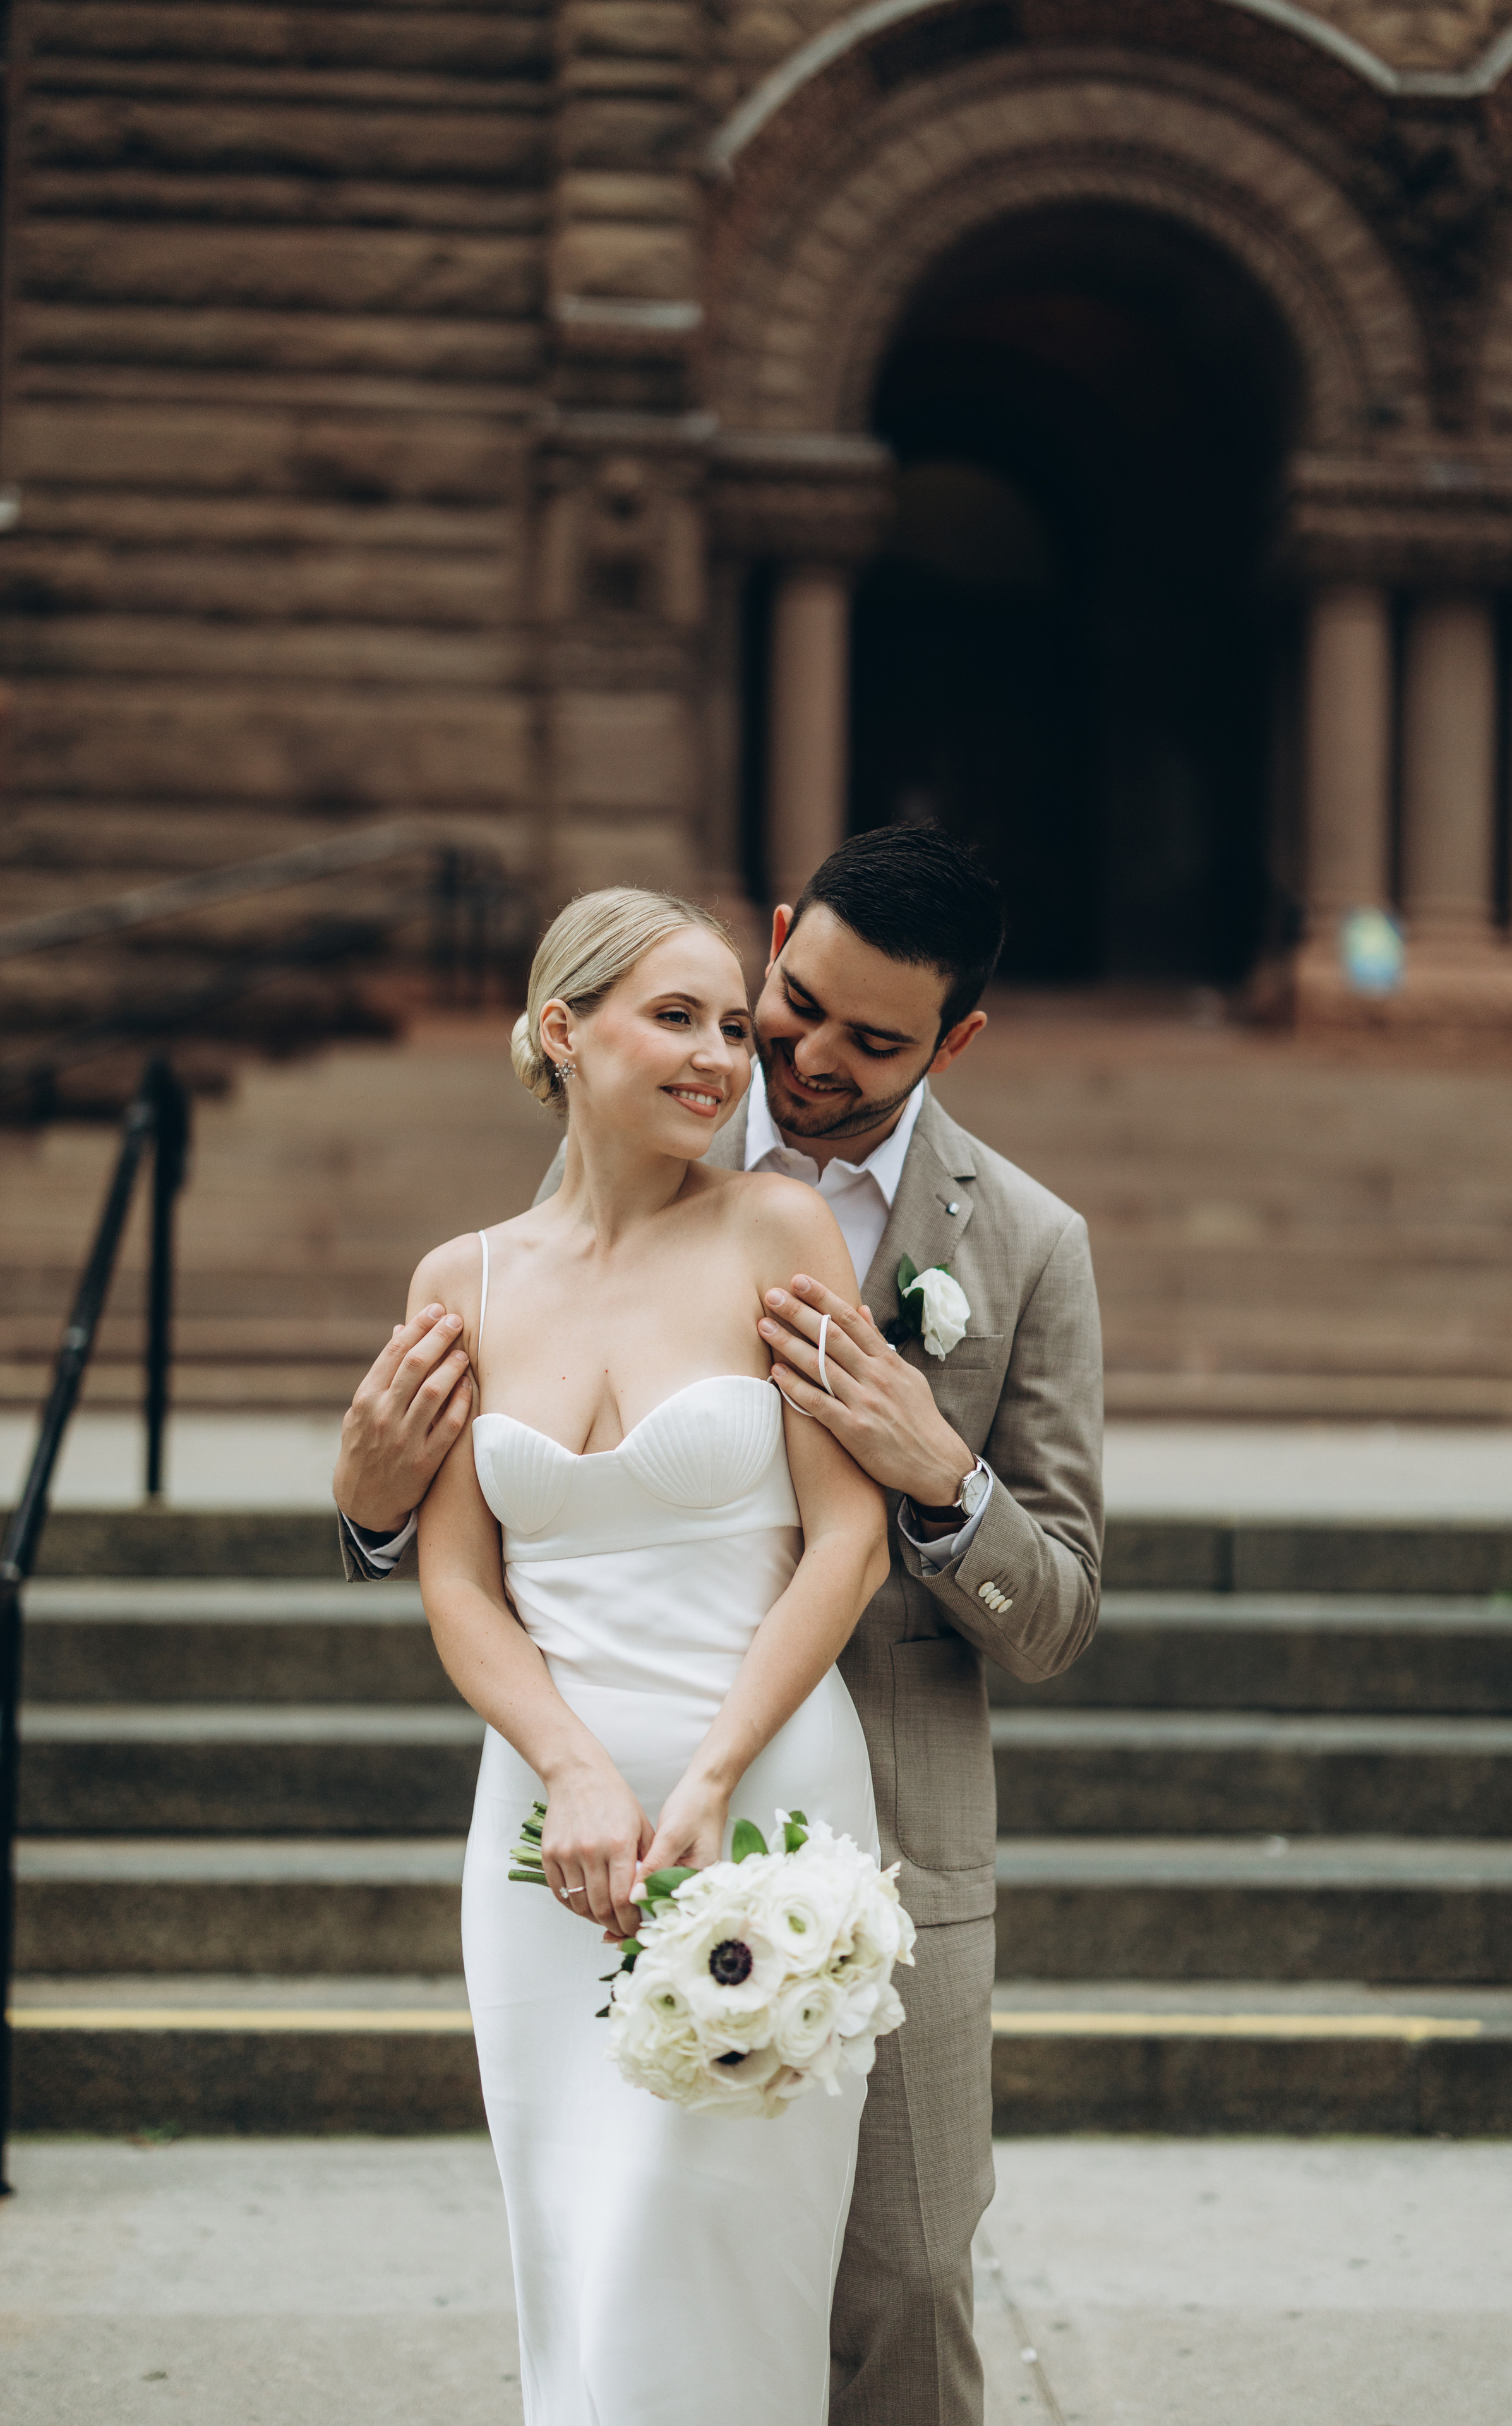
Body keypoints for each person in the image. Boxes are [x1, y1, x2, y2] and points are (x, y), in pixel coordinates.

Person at [336, 825, 1105, 2426]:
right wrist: (364, 1503)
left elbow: (1059, 1608)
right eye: (787, 1006)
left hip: (847, 1805)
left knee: (899, 2282)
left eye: (871, 1041)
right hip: (571, 1808)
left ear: (952, 1042)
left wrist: (938, 1476)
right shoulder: (540, 1221)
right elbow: (450, 1549)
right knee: (605, 2253)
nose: (788, 1057)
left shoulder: (1019, 1243)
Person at [409, 884, 891, 2423]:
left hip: (764, 1800)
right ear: (562, 1030)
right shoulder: (460, 1281)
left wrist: (710, 1776)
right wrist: (569, 1773)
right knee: (580, 2249)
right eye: (674, 1017)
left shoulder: (779, 1226)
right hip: (547, 1833)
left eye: (734, 1029)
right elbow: (457, 1581)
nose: (722, 1059)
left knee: (707, 2247)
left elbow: (846, 1539)